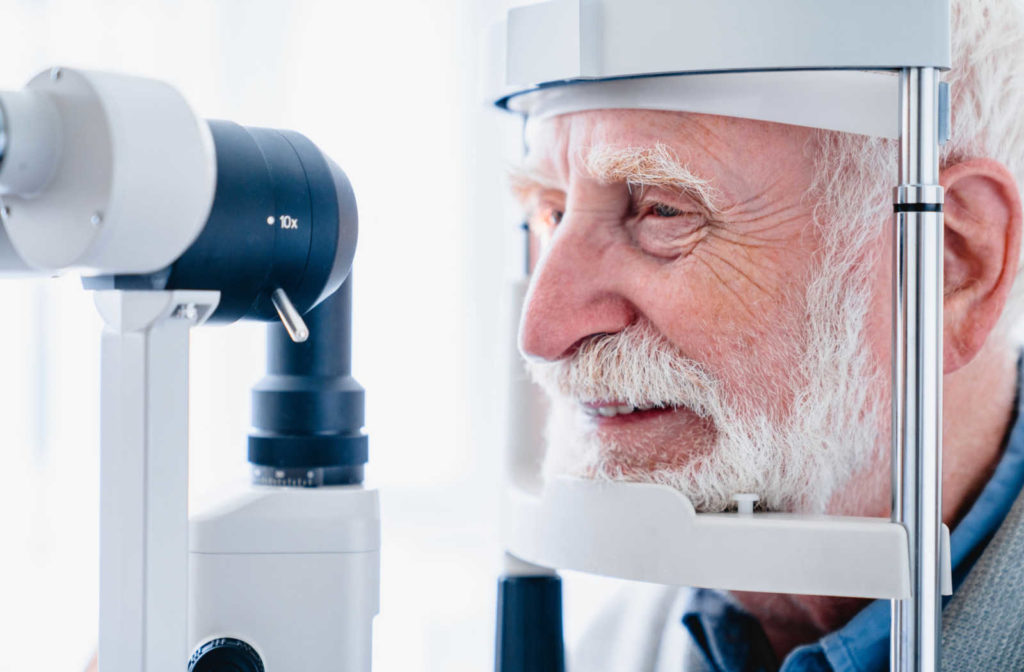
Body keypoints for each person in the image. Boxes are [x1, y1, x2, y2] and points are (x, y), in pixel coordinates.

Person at [509, 0, 1024, 669]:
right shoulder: (616, 647)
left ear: (951, 265)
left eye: (663, 210)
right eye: (551, 212)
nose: (543, 328)